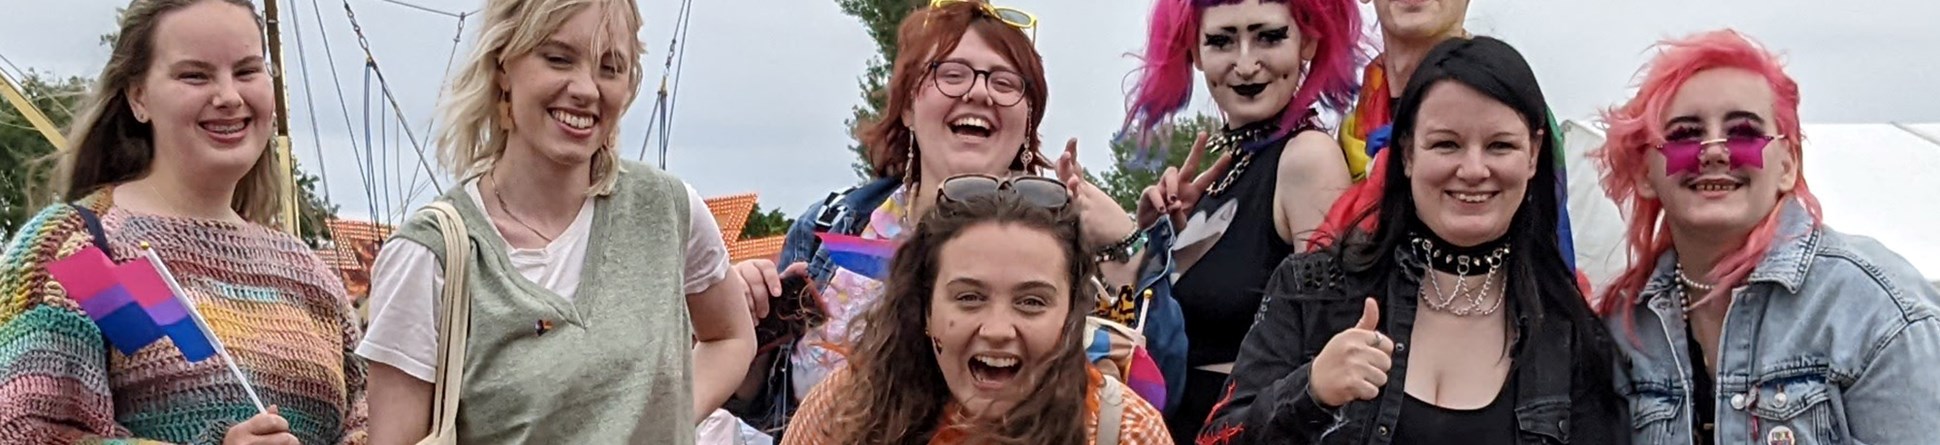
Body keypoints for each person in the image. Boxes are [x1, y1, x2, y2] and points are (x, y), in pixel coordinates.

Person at [727, 0, 1145, 434]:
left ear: (1028, 120)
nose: (978, 93)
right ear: (907, 106)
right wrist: (744, 331)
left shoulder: (1068, 239)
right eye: (951, 74)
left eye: (1005, 82)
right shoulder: (832, 227)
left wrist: (1126, 247)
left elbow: (1156, 387)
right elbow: (766, 408)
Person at [358, 0, 755, 442]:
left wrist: (666, 418)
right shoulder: (432, 257)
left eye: (610, 67)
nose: (586, 88)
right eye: (558, 59)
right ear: (504, 65)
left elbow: (730, 337)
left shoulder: (669, 211)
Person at [1198, 37, 1627, 444]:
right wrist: (1310, 392)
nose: (1474, 169)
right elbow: (1214, 437)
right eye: (1446, 144)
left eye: (1499, 146)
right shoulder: (1314, 291)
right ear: (1407, 153)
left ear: (1533, 154)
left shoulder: (1571, 335)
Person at [0, 0, 367, 443]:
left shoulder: (309, 277)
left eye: (248, 71)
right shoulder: (84, 252)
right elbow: (30, 432)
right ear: (138, 96)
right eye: (195, 75)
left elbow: (366, 424)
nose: (229, 96)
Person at [1592, 29, 1940, 445]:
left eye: (1743, 132)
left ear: (1787, 165)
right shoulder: (1625, 325)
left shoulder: (1873, 308)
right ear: (1646, 172)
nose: (1715, 151)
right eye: (1685, 134)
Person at [1121, 0, 1362, 438]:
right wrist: (1153, 239)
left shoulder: (1307, 160)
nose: (1246, 64)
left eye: (1269, 37)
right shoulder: (1226, 172)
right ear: (1193, 53)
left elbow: (1329, 348)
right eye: (1221, 41)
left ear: (1308, 41)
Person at [781, 177, 1170, 444]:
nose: (998, 329)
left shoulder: (1124, 432)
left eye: (1031, 302)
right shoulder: (844, 411)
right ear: (926, 309)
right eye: (969, 297)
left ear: (1070, 316)